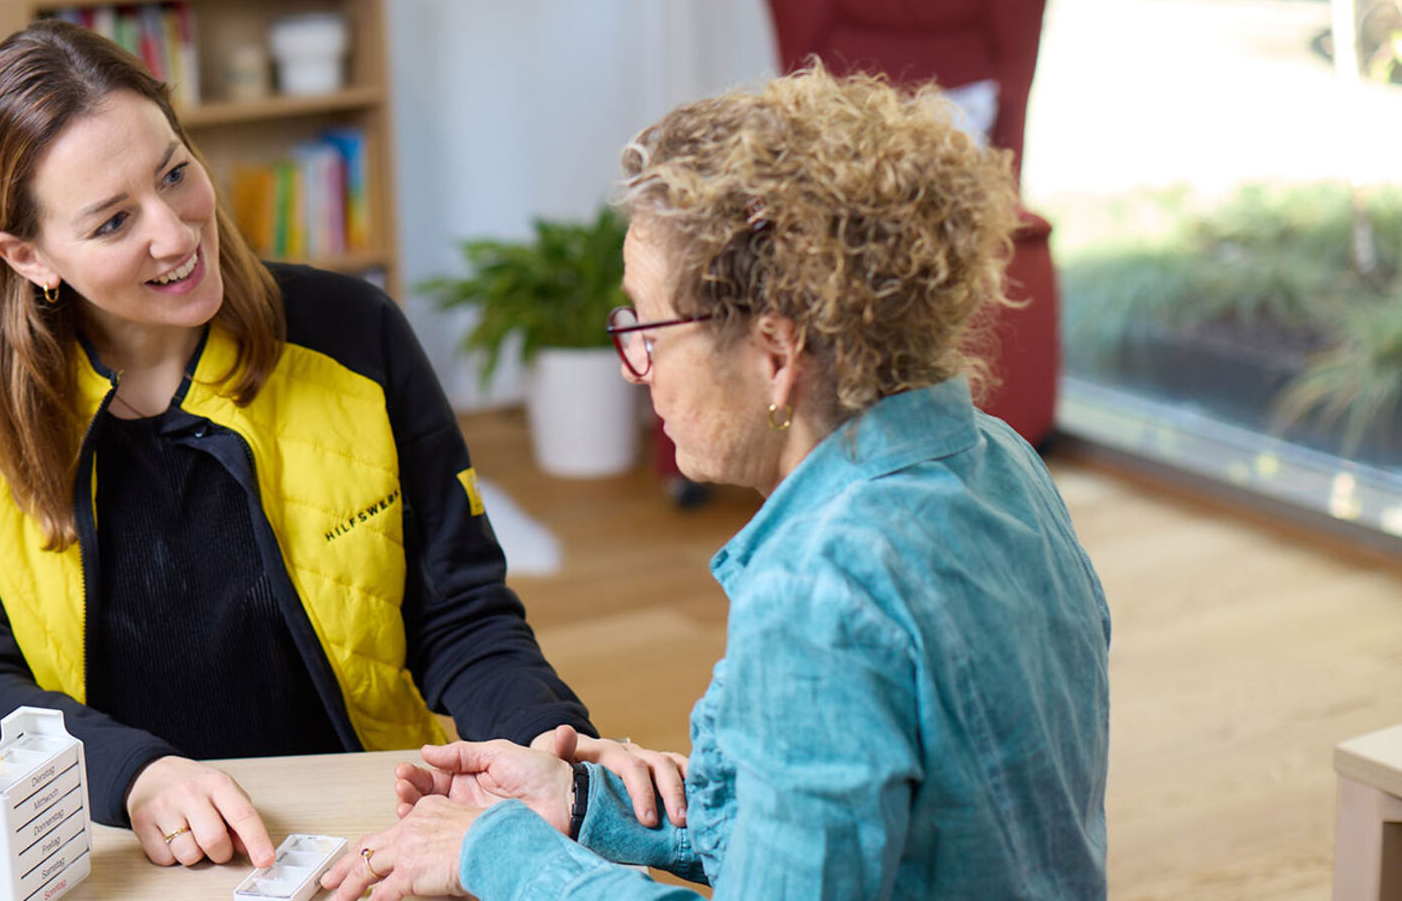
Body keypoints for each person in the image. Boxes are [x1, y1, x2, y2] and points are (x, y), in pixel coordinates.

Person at [0, 19, 683, 870]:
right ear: (28, 256)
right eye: (114, 221)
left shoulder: (355, 331)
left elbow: (460, 611)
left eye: (175, 174)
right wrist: (138, 776)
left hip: (364, 827)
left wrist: (550, 747)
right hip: (116, 847)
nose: (175, 233)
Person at [320, 66, 1112, 899]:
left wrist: (496, 851)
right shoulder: (999, 459)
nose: (637, 370)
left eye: (650, 329)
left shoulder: (822, 595)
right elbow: (831, 821)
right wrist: (582, 802)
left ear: (775, 351)